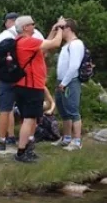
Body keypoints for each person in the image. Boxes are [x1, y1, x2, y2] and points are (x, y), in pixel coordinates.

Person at [0, 13, 46, 150]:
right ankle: (29, 141)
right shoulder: (36, 35)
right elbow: (45, 50)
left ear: (9, 22)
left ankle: (3, 140)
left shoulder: (5, 35)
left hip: (6, 78)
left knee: (5, 109)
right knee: (29, 114)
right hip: (25, 79)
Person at [12, 15, 65, 163]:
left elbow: (44, 47)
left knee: (30, 120)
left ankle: (27, 148)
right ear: (25, 28)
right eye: (32, 24)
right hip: (32, 86)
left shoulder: (20, 42)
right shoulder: (28, 41)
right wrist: (61, 28)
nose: (34, 26)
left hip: (22, 85)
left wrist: (53, 30)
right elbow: (55, 43)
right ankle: (21, 152)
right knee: (29, 120)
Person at [55, 18, 85, 150]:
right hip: (61, 80)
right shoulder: (66, 45)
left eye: (61, 28)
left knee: (73, 110)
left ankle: (77, 141)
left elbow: (74, 66)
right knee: (63, 110)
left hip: (70, 81)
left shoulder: (76, 44)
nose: (59, 31)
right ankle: (66, 138)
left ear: (68, 29)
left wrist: (65, 82)